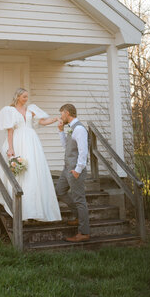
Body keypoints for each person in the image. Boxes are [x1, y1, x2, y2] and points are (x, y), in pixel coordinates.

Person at [0, 88, 62, 222]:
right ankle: (20, 206)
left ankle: (35, 209)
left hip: (32, 141)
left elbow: (42, 122)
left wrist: (55, 119)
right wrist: (10, 148)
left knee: (33, 169)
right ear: (18, 97)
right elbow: (9, 132)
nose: (26, 99)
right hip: (18, 140)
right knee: (20, 171)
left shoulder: (31, 109)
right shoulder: (10, 111)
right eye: (24, 97)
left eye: (27, 97)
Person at [56, 103, 90, 242]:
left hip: (75, 170)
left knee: (79, 199)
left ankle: (84, 232)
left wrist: (78, 170)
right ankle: (77, 216)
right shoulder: (71, 128)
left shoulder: (80, 129)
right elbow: (67, 146)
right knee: (60, 191)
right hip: (67, 169)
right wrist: (60, 131)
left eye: (61, 113)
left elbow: (83, 151)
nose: (60, 116)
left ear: (67, 113)